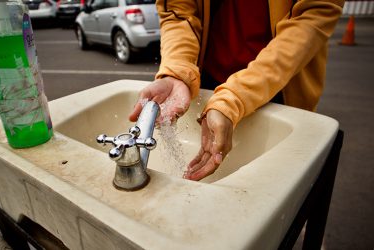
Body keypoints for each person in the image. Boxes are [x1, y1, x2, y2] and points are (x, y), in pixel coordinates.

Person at [129, 0, 344, 181]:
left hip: (280, 87)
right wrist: (177, 71)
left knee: (276, 187)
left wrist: (235, 97)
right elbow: (177, 11)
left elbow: (312, 16)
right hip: (207, 86)